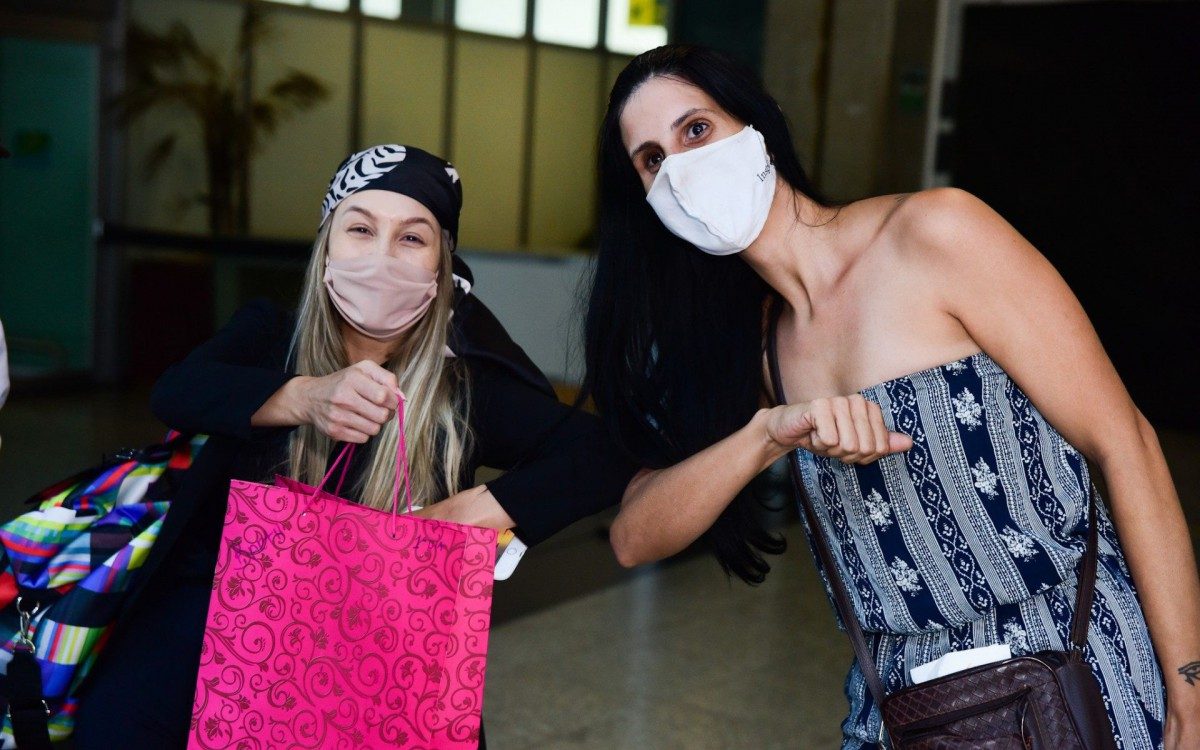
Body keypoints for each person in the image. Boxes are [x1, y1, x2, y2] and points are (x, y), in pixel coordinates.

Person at [582, 45, 1199, 749]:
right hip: (904, 701)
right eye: (652, 160)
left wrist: (1190, 693)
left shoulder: (935, 234)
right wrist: (770, 432)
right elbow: (634, 536)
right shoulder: (751, 348)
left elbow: (1125, 443)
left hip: (1079, 666)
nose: (682, 170)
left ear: (756, 126)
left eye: (696, 130)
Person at [73, 144, 636, 748]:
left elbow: (606, 449)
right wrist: (304, 397)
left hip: (376, 664)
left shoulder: (465, 390)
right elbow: (179, 391)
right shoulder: (269, 335)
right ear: (325, 249)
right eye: (361, 229)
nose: (382, 257)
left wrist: (488, 507)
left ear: (443, 266)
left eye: (412, 238)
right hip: (210, 637)